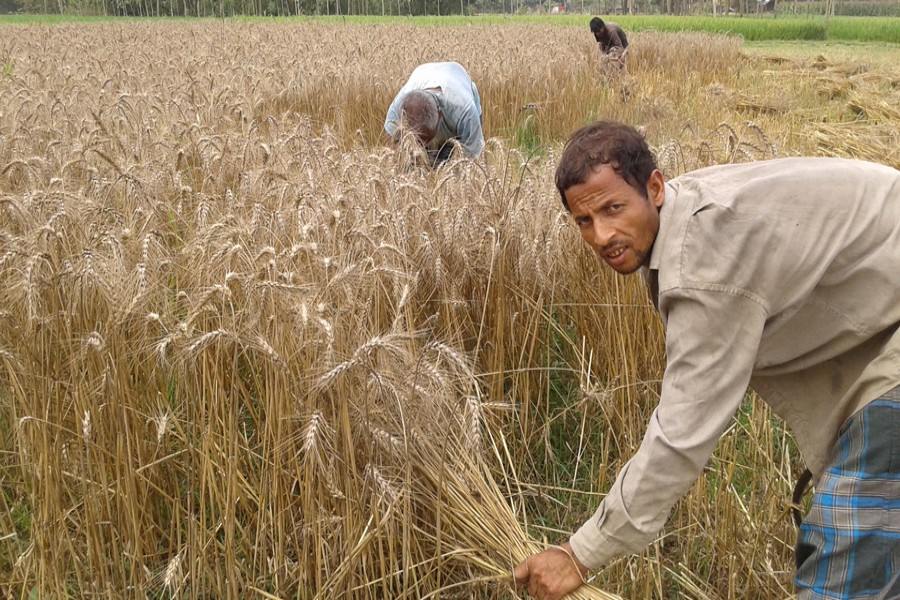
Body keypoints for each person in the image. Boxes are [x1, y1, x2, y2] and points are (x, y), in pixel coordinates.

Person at [513, 120, 900, 600]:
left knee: (847, 552)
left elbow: (683, 435)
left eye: (614, 209)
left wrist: (580, 553)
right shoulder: (682, 214)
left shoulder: (704, 262)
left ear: (653, 188)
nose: (602, 235)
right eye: (584, 221)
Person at [384, 61, 484, 166]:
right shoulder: (398, 108)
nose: (425, 147)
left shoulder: (465, 111)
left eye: (428, 140)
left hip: (458, 78)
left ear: (440, 114)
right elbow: (390, 151)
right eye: (420, 143)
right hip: (423, 72)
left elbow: (475, 159)